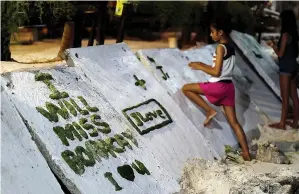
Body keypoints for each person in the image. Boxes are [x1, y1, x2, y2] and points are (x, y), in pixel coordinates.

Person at [182, 15, 251, 161]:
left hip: (217, 86)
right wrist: (201, 64)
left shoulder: (220, 47)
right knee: (234, 122)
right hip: (228, 88)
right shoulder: (230, 46)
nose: (211, 34)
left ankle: (210, 110)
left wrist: (200, 66)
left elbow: (216, 72)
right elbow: (220, 68)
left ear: (220, 32)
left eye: (212, 32)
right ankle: (246, 153)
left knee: (186, 88)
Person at [267, 10, 299, 130]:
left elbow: (280, 54)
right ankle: (295, 122)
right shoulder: (294, 34)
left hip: (285, 67)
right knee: (294, 97)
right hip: (294, 67)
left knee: (285, 97)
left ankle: (282, 123)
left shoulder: (285, 35)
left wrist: (273, 46)